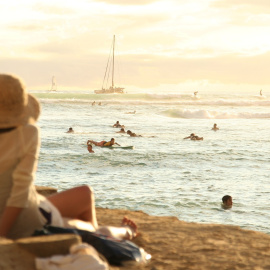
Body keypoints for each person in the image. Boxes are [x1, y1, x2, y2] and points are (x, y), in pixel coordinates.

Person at [0, 74, 137, 240]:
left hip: (25, 206)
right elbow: (19, 194)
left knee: (85, 194)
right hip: (24, 220)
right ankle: (125, 232)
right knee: (91, 230)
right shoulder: (27, 132)